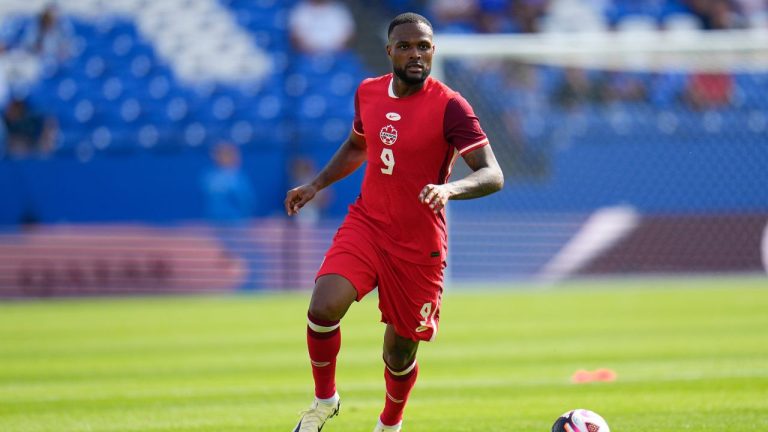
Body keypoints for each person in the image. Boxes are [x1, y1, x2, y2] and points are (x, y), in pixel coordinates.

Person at [284, 12, 504, 432]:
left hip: (418, 243)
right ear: (390, 52)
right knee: (323, 305)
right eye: (405, 46)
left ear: (433, 51)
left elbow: (493, 173)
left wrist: (448, 190)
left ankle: (390, 423)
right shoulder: (368, 92)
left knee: (399, 354)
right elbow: (356, 145)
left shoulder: (451, 106)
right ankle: (324, 400)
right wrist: (315, 184)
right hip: (368, 224)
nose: (415, 54)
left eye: (423, 46)